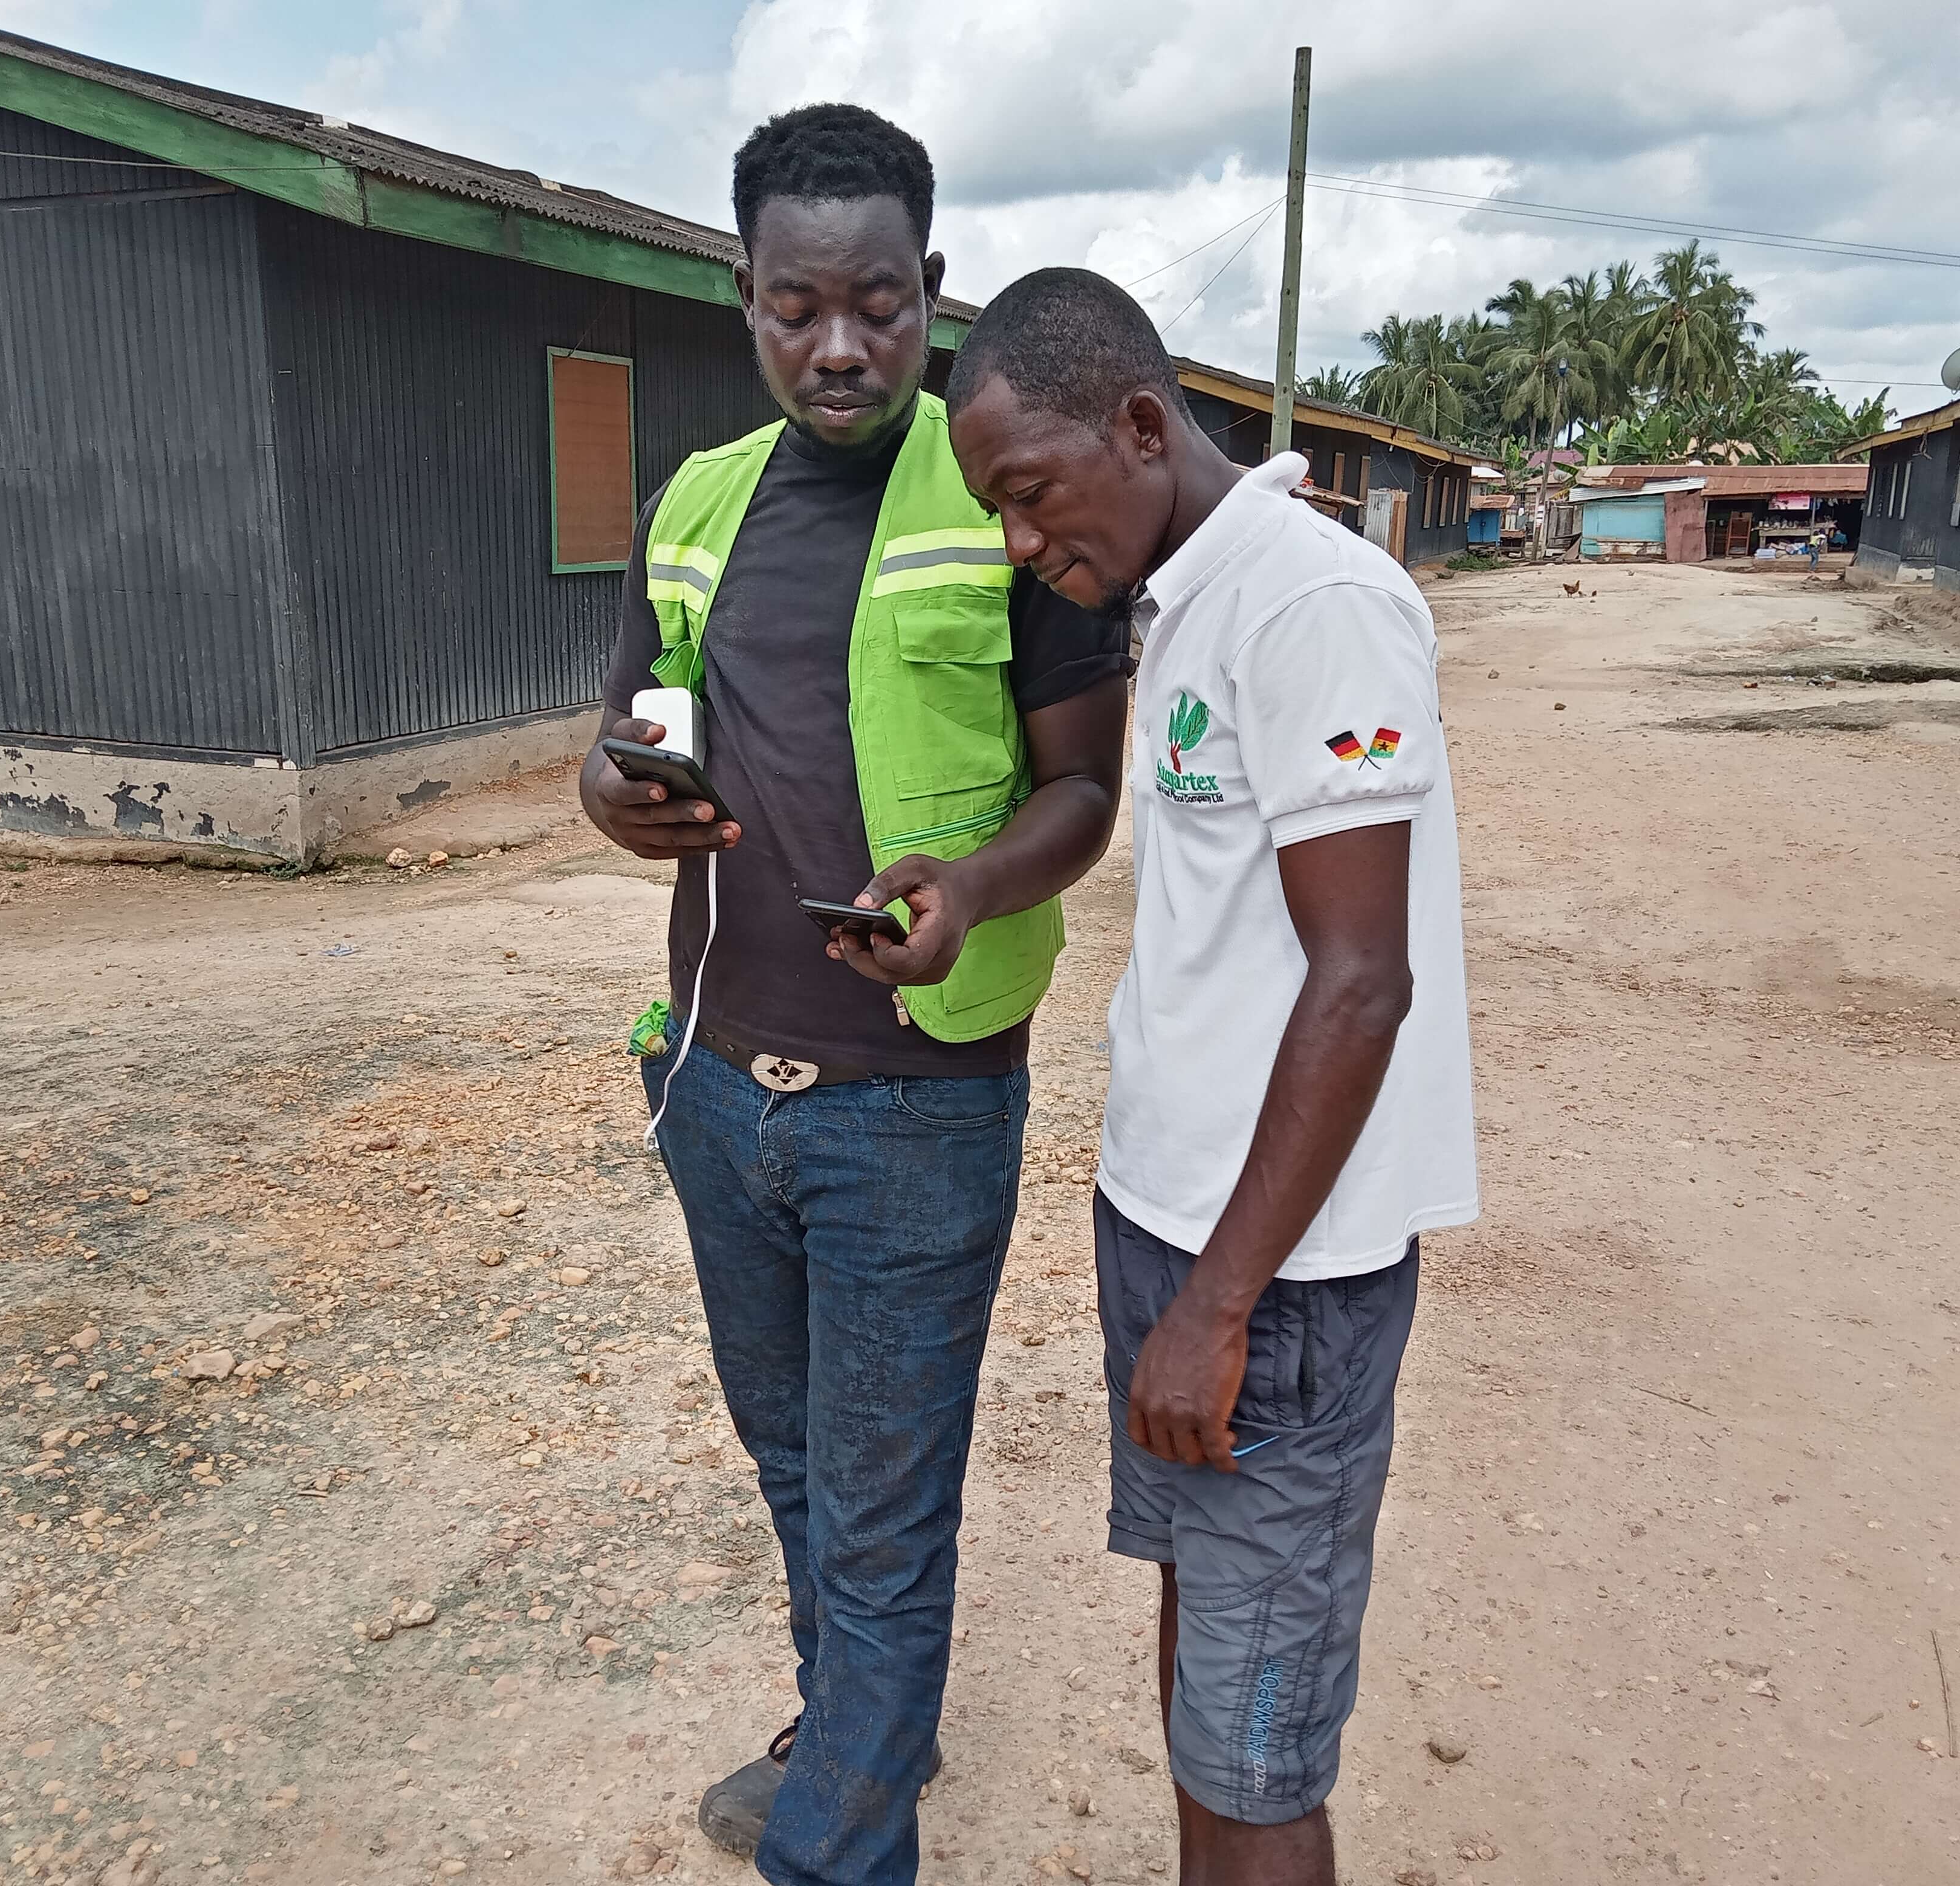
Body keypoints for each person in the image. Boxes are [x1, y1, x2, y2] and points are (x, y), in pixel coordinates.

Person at [577, 112, 1130, 1886]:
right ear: (742, 295)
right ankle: (857, 1733)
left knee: (881, 1516)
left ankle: (839, 1838)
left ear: (931, 294)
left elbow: (1084, 793)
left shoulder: (1009, 495)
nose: (840, 348)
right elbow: (629, 728)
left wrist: (971, 887)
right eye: (798, 308)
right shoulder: (697, 501)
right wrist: (611, 793)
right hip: (716, 1084)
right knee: (798, 1466)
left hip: (917, 1102)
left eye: (880, 309)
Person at [945, 269, 1479, 1885]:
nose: (1019, 542)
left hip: (1276, 1287)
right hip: (1176, 1235)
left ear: (1139, 424)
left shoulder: (1314, 607)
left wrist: (1220, 1305)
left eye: (1028, 492)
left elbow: (1362, 977)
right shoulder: (1183, 599)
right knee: (1203, 1686)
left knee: (1255, 1750)